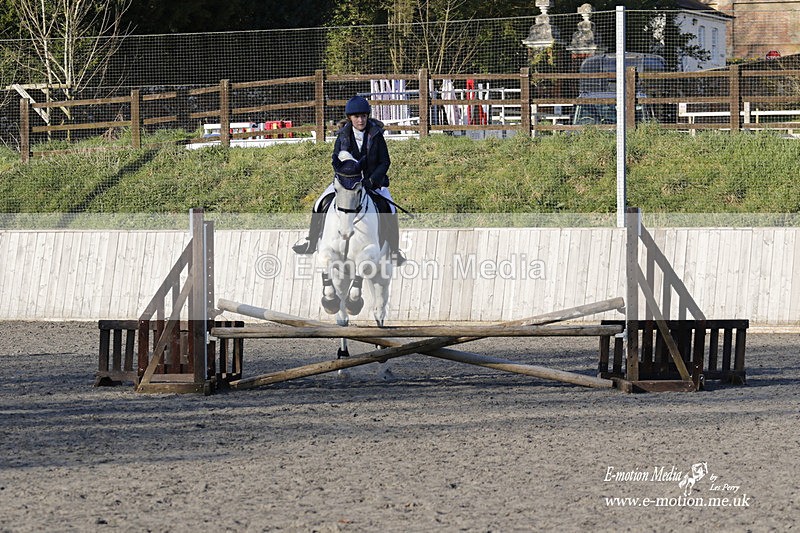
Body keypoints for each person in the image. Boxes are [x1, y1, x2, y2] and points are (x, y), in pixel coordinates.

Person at [293, 95, 406, 265]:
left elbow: (385, 161)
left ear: (367, 116)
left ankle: (394, 251)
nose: (361, 120)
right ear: (350, 118)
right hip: (346, 183)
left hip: (372, 182)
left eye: (363, 116)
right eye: (356, 117)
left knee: (390, 208)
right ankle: (311, 241)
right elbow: (335, 159)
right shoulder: (343, 136)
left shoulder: (376, 135)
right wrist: (345, 177)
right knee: (319, 203)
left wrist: (372, 180)